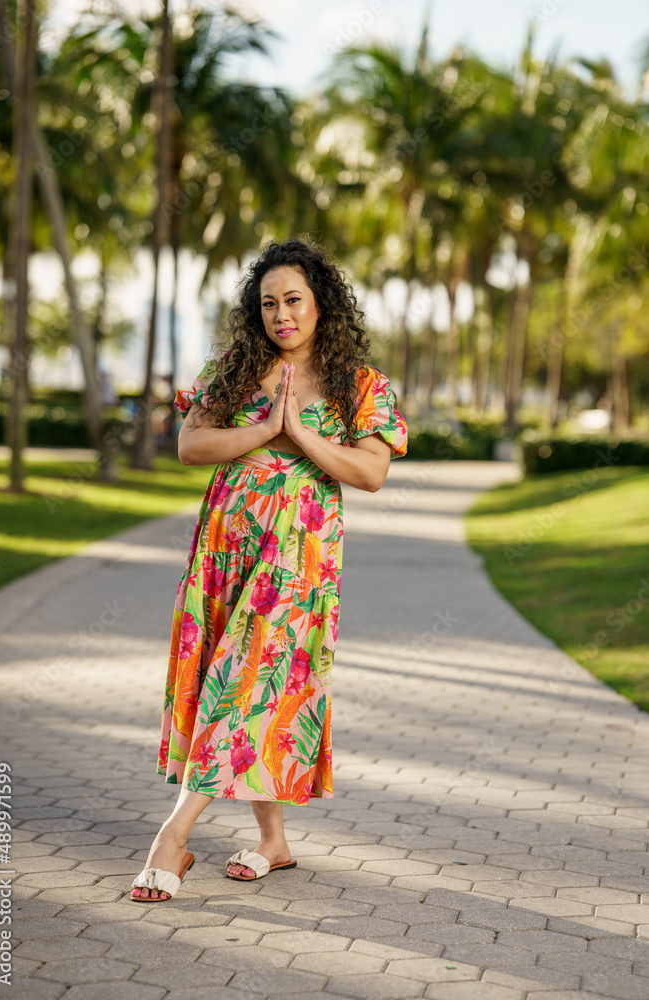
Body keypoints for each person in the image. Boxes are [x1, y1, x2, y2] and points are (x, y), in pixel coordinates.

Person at [130, 236, 408, 901]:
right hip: (224, 548)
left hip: (298, 555)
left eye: (293, 301)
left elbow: (369, 471)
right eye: (267, 304)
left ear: (321, 305)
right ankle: (273, 842)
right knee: (239, 678)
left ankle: (173, 837)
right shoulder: (232, 368)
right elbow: (192, 444)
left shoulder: (359, 384)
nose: (281, 315)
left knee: (246, 677)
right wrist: (262, 430)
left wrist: (301, 435)